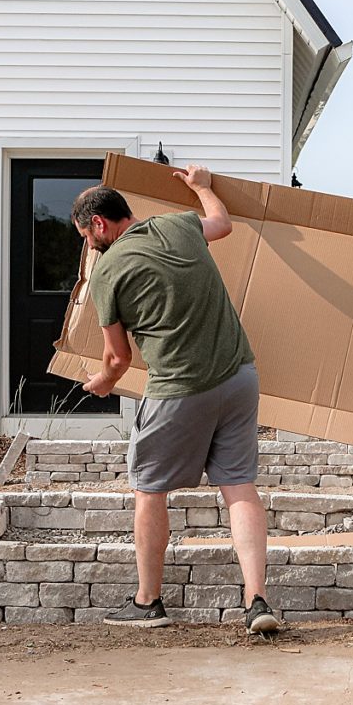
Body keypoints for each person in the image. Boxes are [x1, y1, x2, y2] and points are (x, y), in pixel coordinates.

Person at [71, 165, 280, 635]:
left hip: (179, 390)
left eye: (85, 235)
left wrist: (100, 382)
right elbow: (222, 223)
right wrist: (203, 187)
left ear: (99, 225)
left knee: (149, 490)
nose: (87, 245)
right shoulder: (177, 224)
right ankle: (256, 600)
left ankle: (148, 603)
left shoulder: (107, 272)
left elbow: (118, 358)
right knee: (240, 488)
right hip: (239, 375)